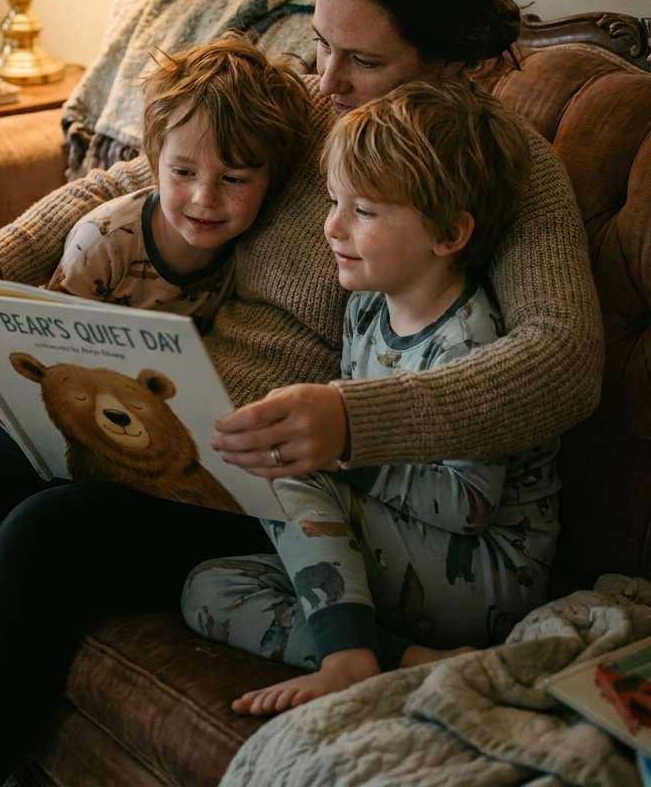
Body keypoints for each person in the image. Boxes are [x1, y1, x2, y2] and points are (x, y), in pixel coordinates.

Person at [0, 0, 602, 787]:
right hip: (166, 405)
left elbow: (564, 359)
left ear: (452, 60)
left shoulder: (500, 166)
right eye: (322, 43)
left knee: (45, 539)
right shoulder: (310, 104)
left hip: (268, 471)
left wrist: (353, 419)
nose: (326, 80)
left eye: (363, 61)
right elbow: (138, 178)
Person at [182, 79, 561, 716]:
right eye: (335, 201)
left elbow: (470, 504)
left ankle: (347, 658)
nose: (331, 226)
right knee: (209, 588)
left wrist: (339, 453)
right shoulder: (364, 307)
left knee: (291, 467)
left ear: (449, 233)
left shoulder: (470, 339)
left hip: (486, 571)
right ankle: (396, 658)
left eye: (362, 212)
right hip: (405, 552)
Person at [0, 39, 311, 458]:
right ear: (155, 161)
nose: (205, 198)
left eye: (233, 179)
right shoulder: (104, 241)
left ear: (270, 181)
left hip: (124, 393)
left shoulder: (248, 249)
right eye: (183, 172)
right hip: (44, 364)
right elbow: (44, 361)